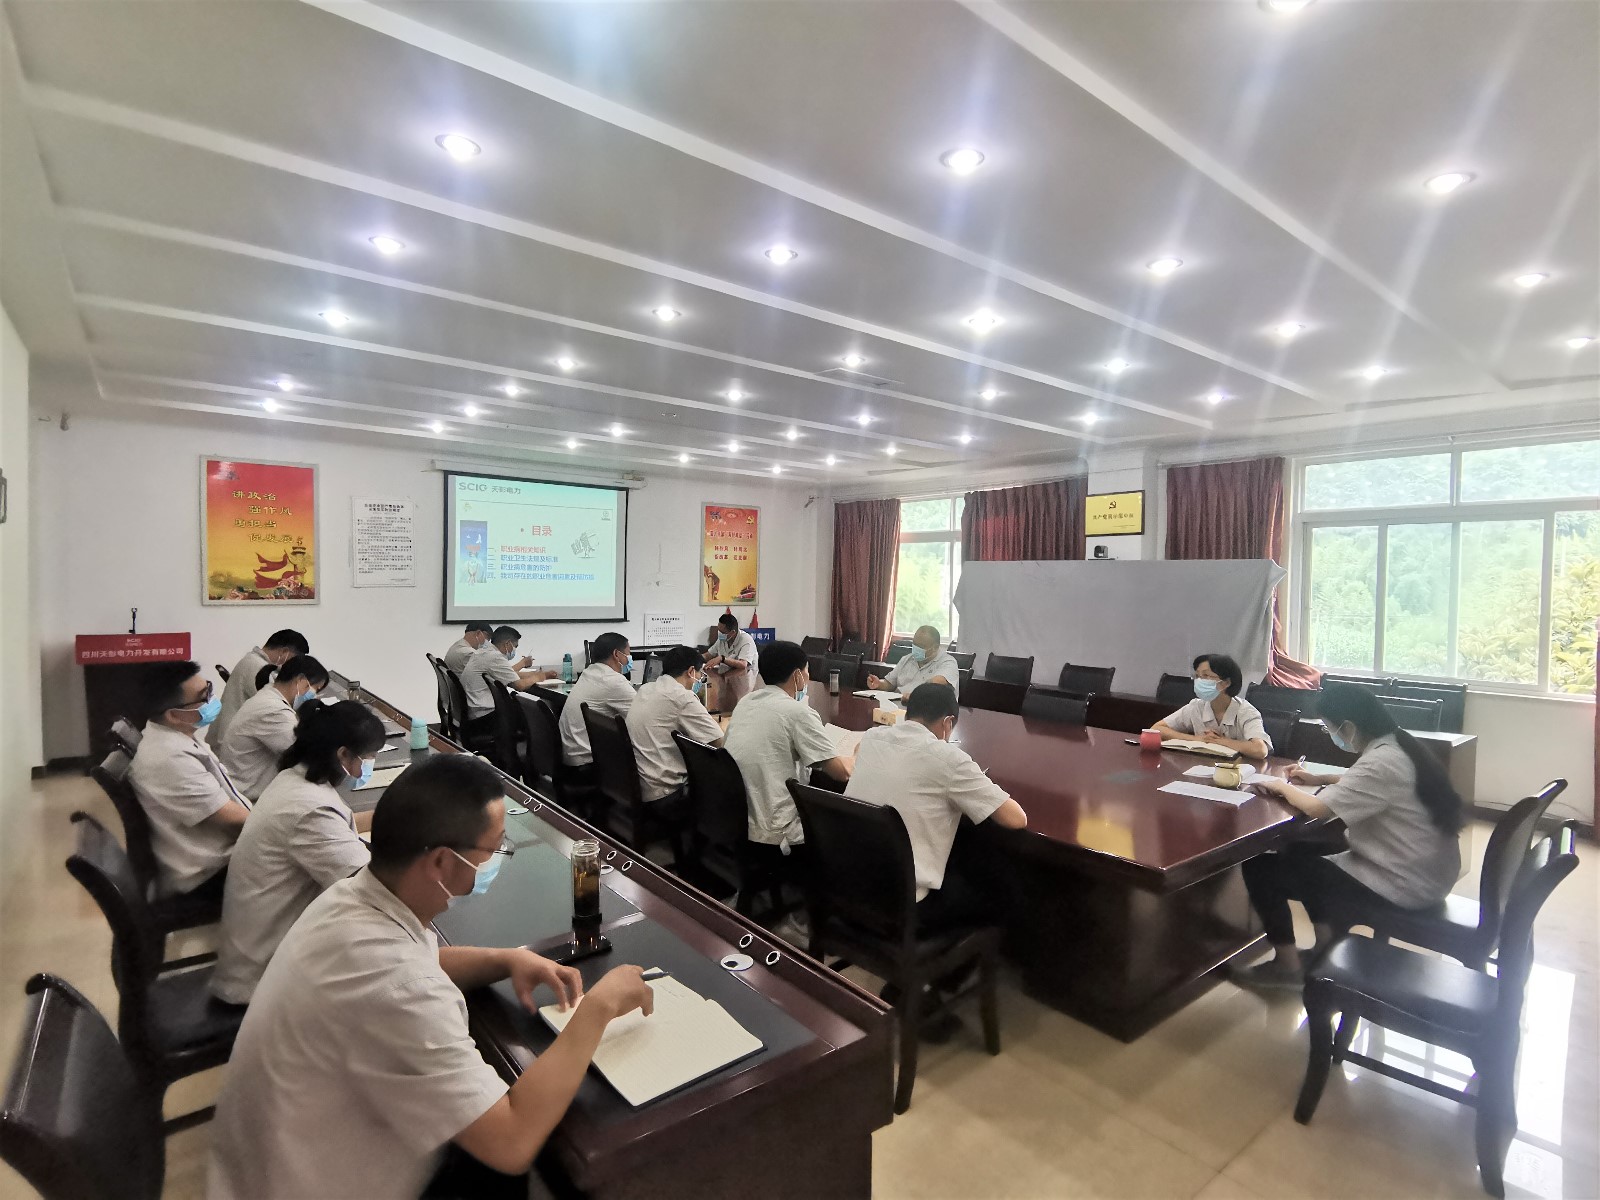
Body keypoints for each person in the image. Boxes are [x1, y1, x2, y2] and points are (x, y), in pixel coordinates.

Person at [206, 755, 654, 1200]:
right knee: (515, 1167)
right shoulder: (395, 986)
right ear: (442, 862)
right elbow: (511, 1142)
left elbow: (420, 961)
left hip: (281, 1159)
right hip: (320, 1182)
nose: (496, 859)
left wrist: (505, 960)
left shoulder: (356, 895)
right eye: (493, 849)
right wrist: (598, 1009)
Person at [1231, 683, 1465, 990]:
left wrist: (1278, 785)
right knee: (1301, 851)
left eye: (1329, 728)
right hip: (1425, 873)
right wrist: (1319, 777)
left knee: (1260, 867)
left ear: (1349, 727)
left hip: (1404, 884)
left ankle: (1287, 967)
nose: (1330, 734)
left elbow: (1318, 809)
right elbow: (1364, 781)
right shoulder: (1399, 746)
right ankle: (1324, 948)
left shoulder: (1382, 762)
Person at [211, 699, 384, 1005]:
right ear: (343, 754)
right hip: (263, 982)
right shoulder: (309, 809)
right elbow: (374, 887)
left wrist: (387, 817)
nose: (368, 766)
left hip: (262, 950)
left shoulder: (293, 780)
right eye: (368, 758)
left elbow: (337, 829)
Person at [845, 682, 1026, 931]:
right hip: (903, 903)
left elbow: (857, 751)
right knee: (1000, 888)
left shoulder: (871, 737)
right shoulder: (950, 759)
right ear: (948, 723)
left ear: (908, 712)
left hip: (850, 884)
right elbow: (1016, 819)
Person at [127, 661, 251, 898]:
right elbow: (231, 818)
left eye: (209, 689)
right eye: (204, 697)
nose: (212, 700)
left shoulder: (175, 736)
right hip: (208, 876)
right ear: (174, 715)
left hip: (217, 855)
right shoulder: (168, 758)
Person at [724, 640, 851, 851]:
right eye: (807, 670)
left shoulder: (746, 702)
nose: (808, 676)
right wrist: (857, 755)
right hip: (777, 832)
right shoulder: (798, 712)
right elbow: (841, 773)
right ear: (797, 675)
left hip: (740, 819)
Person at [218, 654, 329, 800]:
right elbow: (307, 755)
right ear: (301, 681)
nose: (315, 696)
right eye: (316, 689)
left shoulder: (268, 697)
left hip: (244, 788)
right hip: (247, 798)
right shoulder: (274, 711)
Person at [625, 644, 724, 803]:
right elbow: (719, 743)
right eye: (700, 673)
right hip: (665, 795)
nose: (700, 678)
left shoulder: (646, 688)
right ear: (691, 671)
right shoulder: (682, 697)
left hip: (639, 784)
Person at [1152, 653, 1272, 758]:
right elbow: (1157, 729)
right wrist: (1197, 739)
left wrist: (1220, 741)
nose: (1199, 681)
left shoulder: (1246, 711)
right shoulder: (1197, 706)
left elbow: (1260, 750)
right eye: (1197, 676)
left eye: (1205, 676)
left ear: (1226, 683)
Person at [212, 629, 310, 750]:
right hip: (230, 744)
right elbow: (277, 705)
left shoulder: (253, 660)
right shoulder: (258, 667)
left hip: (231, 738)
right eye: (293, 660)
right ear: (284, 652)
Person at [559, 632, 637, 769]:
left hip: (572, 757)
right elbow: (642, 717)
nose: (629, 659)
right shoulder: (613, 681)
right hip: (588, 763)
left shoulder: (590, 672)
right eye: (628, 654)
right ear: (616, 654)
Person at [460, 625, 558, 727]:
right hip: (484, 715)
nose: (515, 650)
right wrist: (539, 677)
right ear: (507, 644)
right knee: (535, 715)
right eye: (515, 646)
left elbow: (509, 673)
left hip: (476, 710)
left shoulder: (485, 652)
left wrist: (536, 674)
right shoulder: (495, 657)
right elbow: (519, 686)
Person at [864, 625, 960, 700]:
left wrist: (915, 695)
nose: (916, 649)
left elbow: (937, 682)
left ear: (935, 647)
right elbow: (890, 683)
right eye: (914, 644)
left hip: (928, 710)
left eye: (921, 646)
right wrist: (878, 684)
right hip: (898, 705)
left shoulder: (948, 662)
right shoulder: (907, 659)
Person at [703, 613, 759, 713]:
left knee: (737, 709)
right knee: (721, 706)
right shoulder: (722, 639)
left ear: (732, 632)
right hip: (725, 676)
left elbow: (743, 665)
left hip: (743, 679)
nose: (719, 634)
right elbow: (709, 655)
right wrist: (694, 658)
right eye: (719, 631)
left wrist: (722, 659)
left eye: (722, 632)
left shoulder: (746, 640)